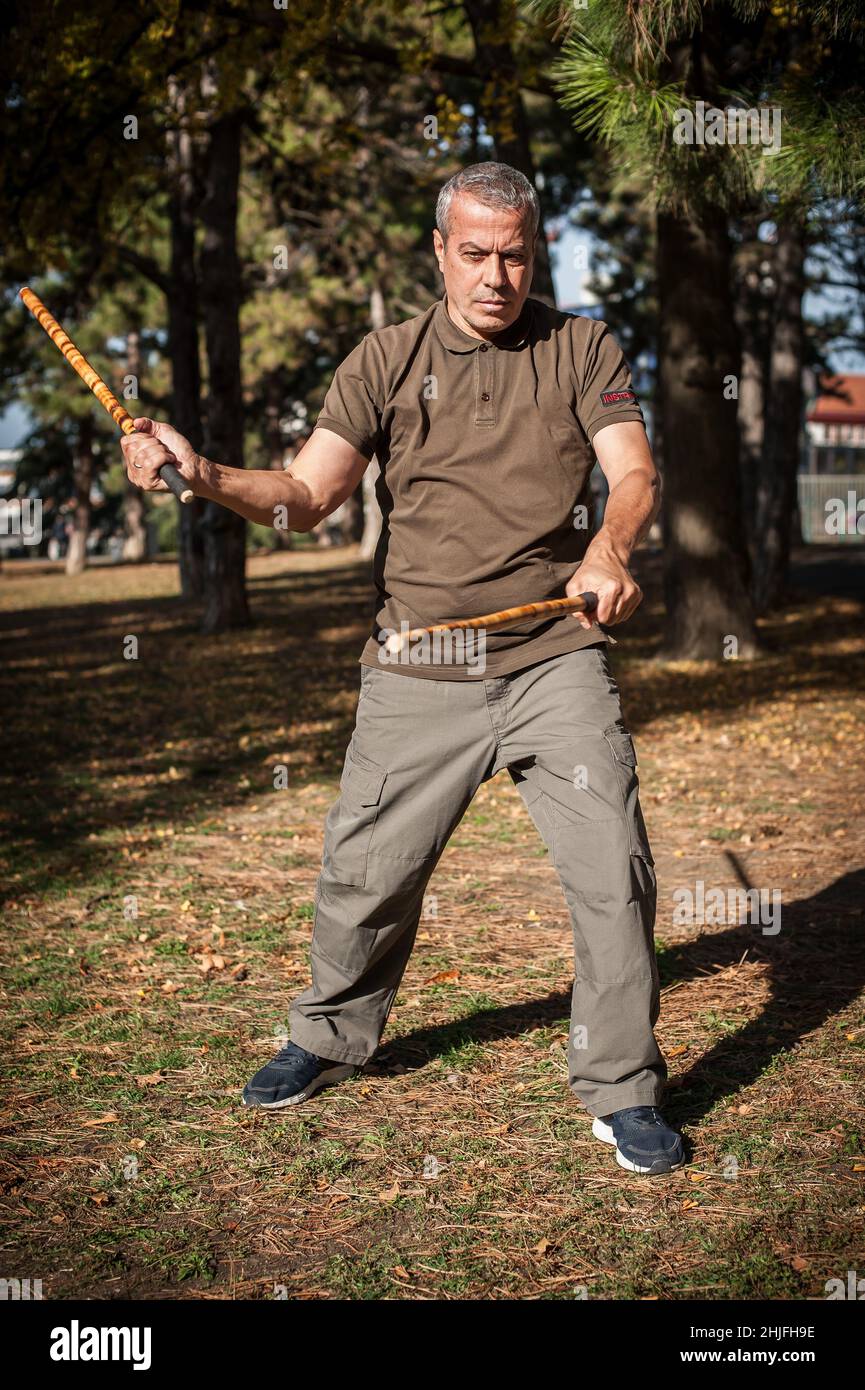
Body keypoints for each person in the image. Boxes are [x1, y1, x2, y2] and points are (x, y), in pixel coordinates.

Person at [122, 161, 684, 1176]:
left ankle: (622, 1086)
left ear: (535, 250)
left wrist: (611, 548)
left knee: (615, 867)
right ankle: (330, 1035)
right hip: (420, 660)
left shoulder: (581, 346)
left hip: (553, 655)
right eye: (474, 252)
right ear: (438, 251)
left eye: (515, 253)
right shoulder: (384, 358)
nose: (496, 275)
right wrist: (200, 473)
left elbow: (632, 469)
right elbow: (306, 494)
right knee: (363, 875)